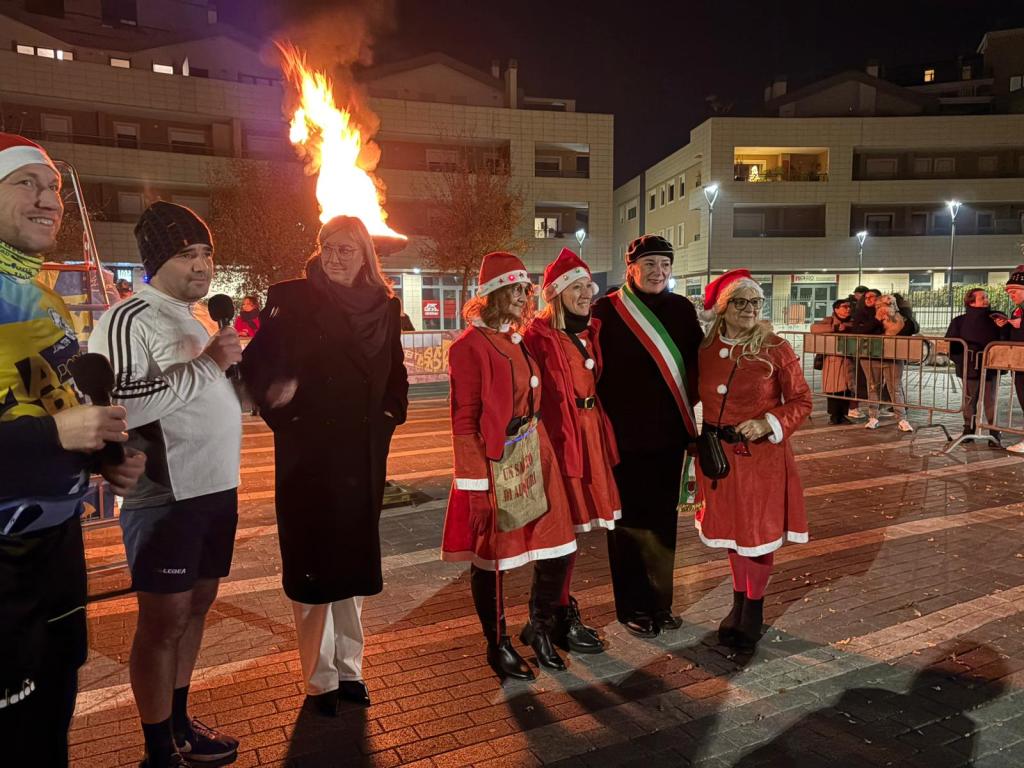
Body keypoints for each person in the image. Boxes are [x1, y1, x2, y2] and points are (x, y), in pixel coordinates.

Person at [0, 133, 146, 767]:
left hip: (57, 554)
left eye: (53, 186)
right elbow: (48, 428)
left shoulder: (44, 296)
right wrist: (58, 436)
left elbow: (53, 407)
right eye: (24, 183)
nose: (47, 198)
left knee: (51, 731)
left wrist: (106, 460)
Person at [91, 201, 243, 768]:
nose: (201, 265)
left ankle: (179, 725)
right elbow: (124, 403)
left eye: (206, 253)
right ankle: (157, 751)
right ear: (156, 262)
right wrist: (208, 365)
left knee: (197, 607)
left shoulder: (197, 317)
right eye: (187, 253)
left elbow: (207, 395)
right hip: (166, 494)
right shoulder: (129, 318)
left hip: (214, 489)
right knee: (162, 621)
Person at [241, 216, 408, 716]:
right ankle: (319, 680)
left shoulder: (385, 306)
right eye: (327, 249)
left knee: (352, 569)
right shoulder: (293, 300)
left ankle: (351, 670)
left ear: (365, 257)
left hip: (361, 456)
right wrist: (287, 411)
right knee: (314, 570)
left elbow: (395, 374)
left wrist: (387, 415)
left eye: (346, 250)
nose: (334, 259)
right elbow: (257, 369)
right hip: (309, 459)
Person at [441, 251, 577, 680]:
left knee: (559, 547)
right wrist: (475, 489)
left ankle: (536, 628)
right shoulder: (468, 347)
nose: (524, 296)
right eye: (517, 289)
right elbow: (464, 423)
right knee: (493, 560)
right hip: (496, 461)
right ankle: (495, 644)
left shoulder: (513, 339)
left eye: (527, 289)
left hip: (534, 453)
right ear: (495, 293)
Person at [693, 270, 812, 653]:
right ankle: (738, 603)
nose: (749, 309)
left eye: (755, 302)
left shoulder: (775, 347)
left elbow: (802, 401)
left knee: (757, 537)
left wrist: (768, 422)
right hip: (719, 457)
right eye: (740, 302)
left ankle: (754, 611)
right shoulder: (707, 349)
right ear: (723, 308)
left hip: (761, 459)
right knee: (733, 533)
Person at [591, 234, 702, 638]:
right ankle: (633, 607)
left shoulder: (681, 309)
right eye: (650, 264)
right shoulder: (605, 310)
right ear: (631, 268)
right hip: (623, 440)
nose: (658, 272)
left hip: (670, 439)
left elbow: (698, 364)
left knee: (664, 525)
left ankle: (661, 603)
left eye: (665, 265)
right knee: (628, 526)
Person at [523, 248, 620, 656]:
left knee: (573, 534)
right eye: (576, 287)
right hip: (559, 442)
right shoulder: (537, 336)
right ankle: (546, 620)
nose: (585, 294)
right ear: (556, 293)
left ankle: (558, 615)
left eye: (588, 287)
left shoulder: (589, 331)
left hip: (588, 434)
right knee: (558, 534)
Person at [945, 288, 1005, 441]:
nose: (987, 300)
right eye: (983, 297)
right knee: (969, 400)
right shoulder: (959, 321)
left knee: (990, 400)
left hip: (990, 368)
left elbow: (1005, 339)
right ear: (971, 301)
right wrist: (963, 361)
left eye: (987, 297)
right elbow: (951, 344)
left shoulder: (996, 318)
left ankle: (994, 432)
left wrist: (1002, 327)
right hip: (969, 368)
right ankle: (968, 429)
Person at [862, 294, 913, 433]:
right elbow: (861, 331)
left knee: (895, 387)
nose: (882, 308)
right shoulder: (868, 316)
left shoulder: (901, 315)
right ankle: (873, 417)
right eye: (879, 306)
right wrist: (877, 319)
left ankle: (902, 419)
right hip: (872, 356)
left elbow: (911, 328)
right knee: (873, 386)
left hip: (893, 356)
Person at [810, 298, 854, 424]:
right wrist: (834, 328)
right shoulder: (828, 320)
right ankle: (834, 415)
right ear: (836, 309)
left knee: (846, 389)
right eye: (844, 306)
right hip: (832, 360)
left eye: (849, 307)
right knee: (834, 388)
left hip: (848, 359)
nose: (848, 309)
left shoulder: (853, 322)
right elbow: (814, 328)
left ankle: (843, 415)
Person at [1003, 266, 1024, 453]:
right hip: (1019, 364)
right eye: (1009, 292)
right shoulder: (1016, 312)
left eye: (1014, 291)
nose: (1011, 295)